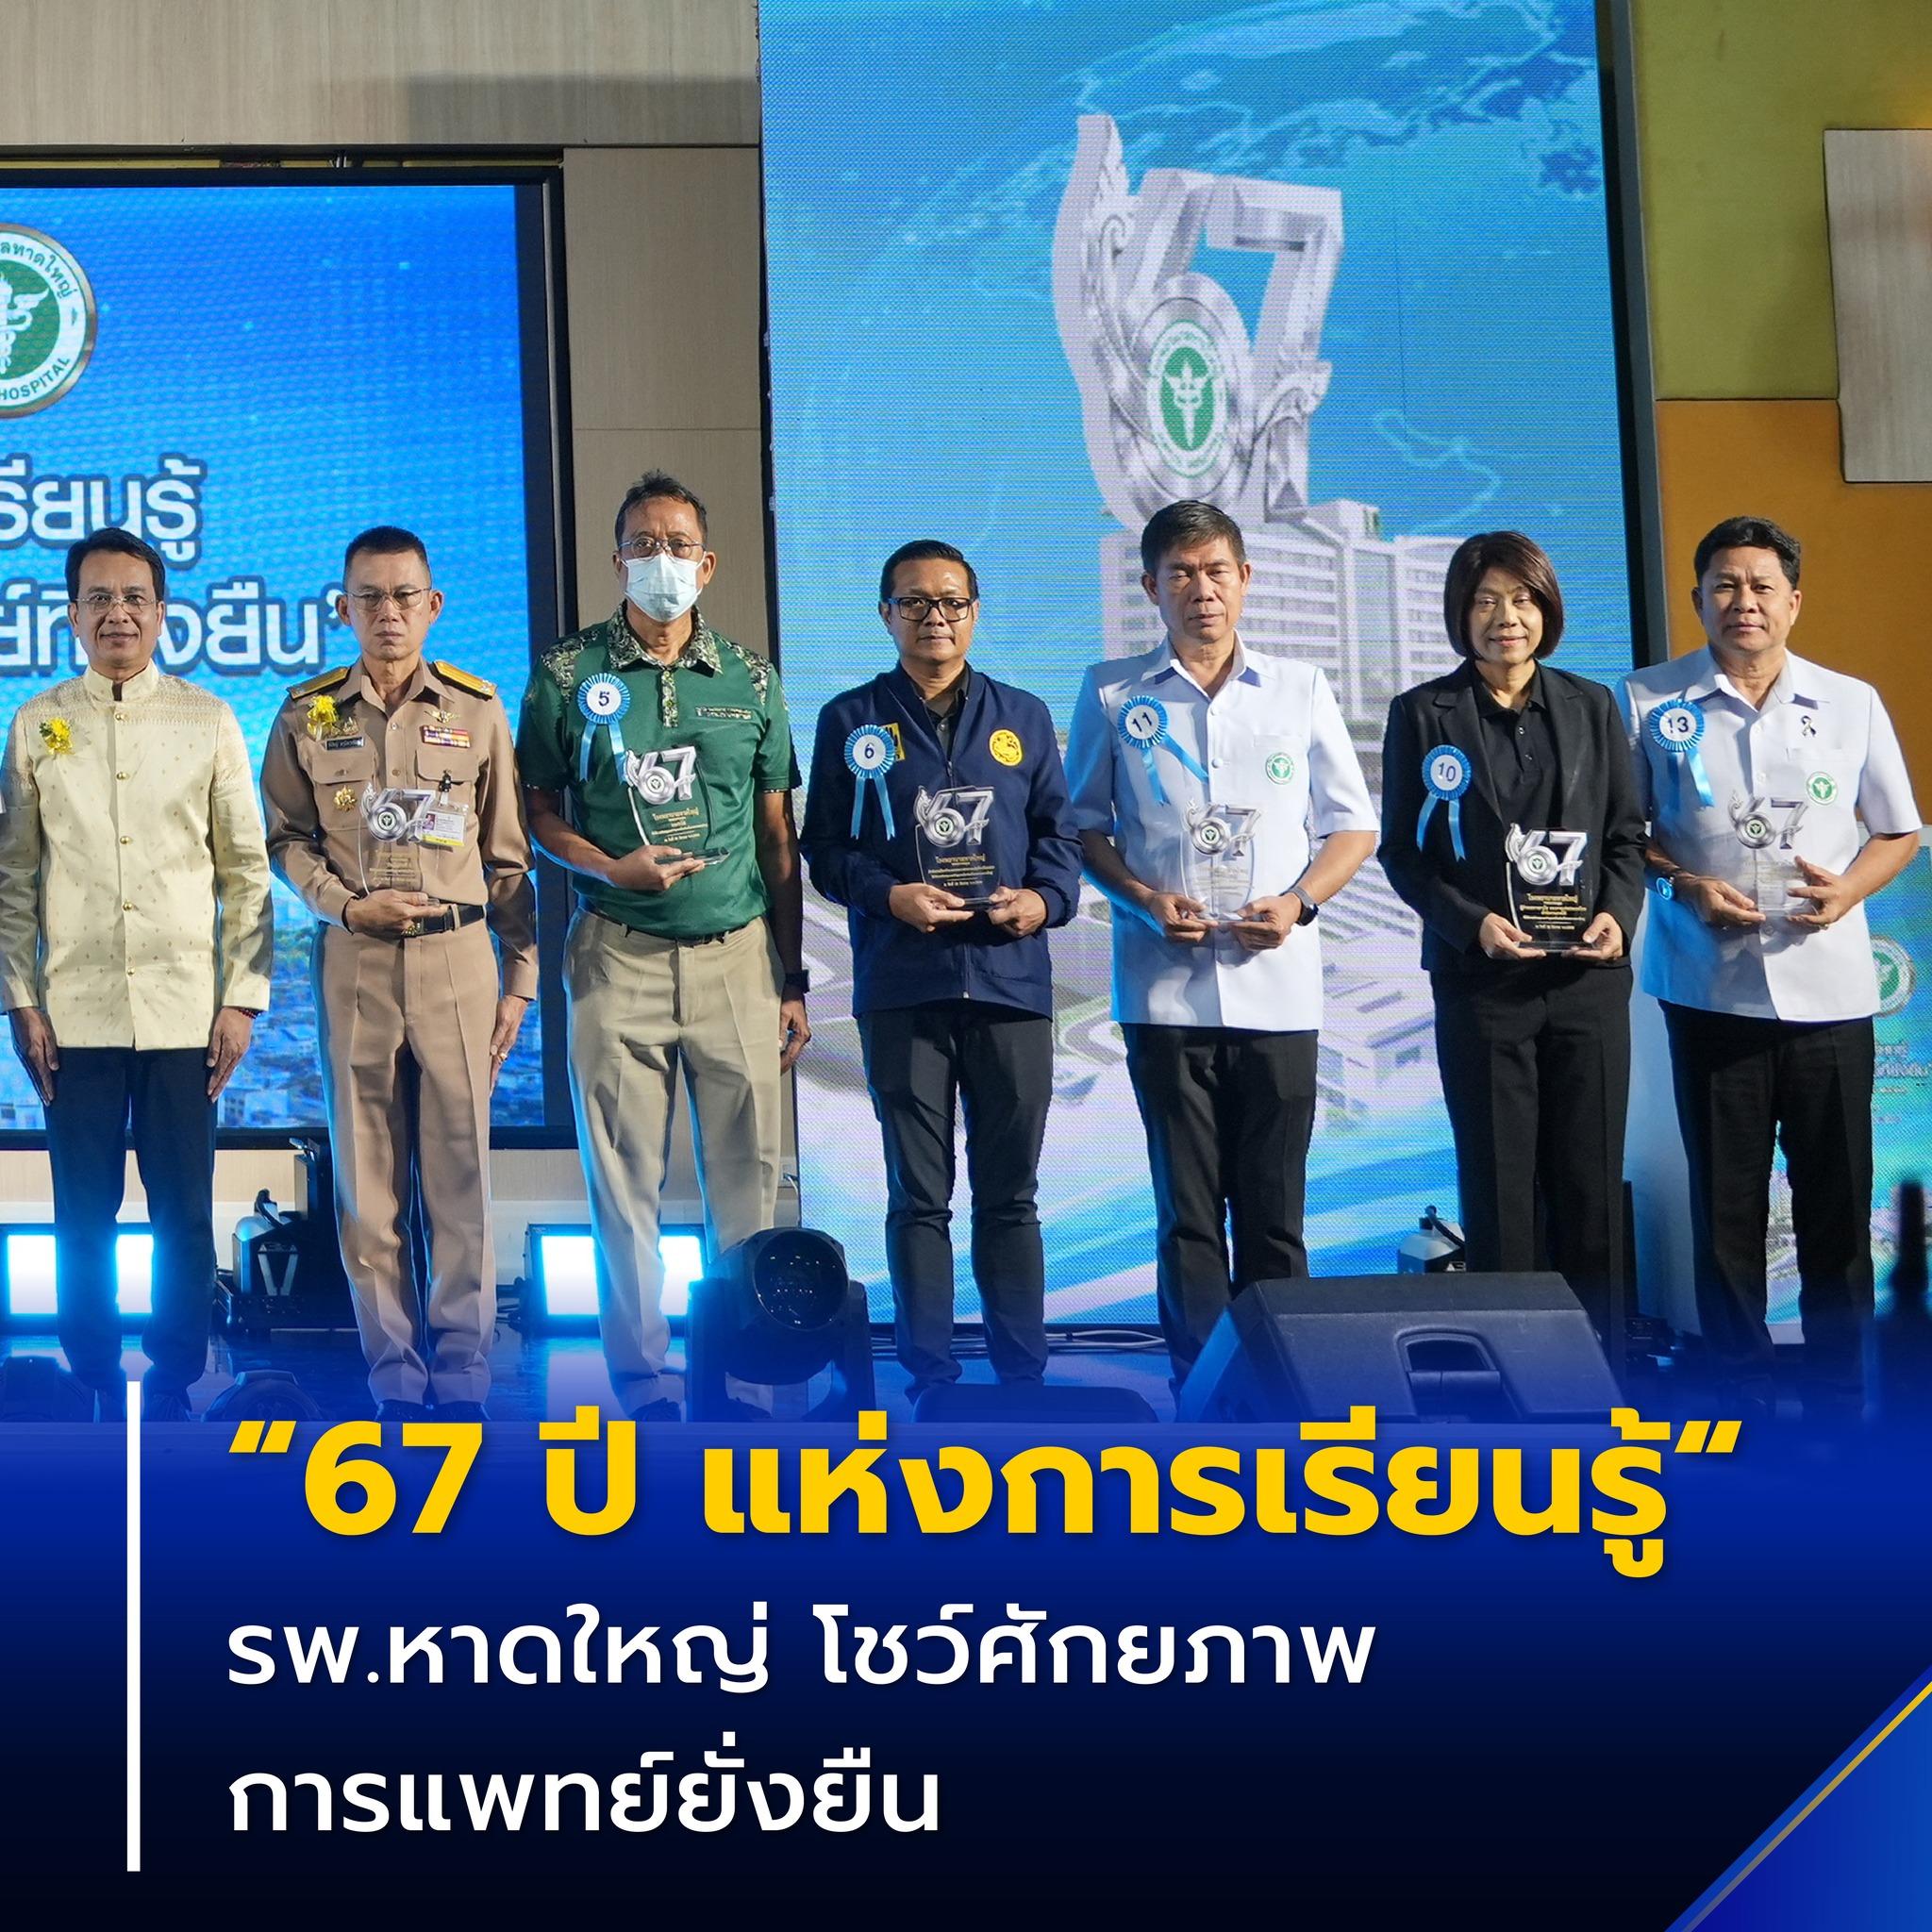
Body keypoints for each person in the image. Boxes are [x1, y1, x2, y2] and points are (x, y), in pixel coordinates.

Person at [516, 470, 809, 1419]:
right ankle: (640, 1380)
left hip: (737, 957)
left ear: (707, 564)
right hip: (617, 952)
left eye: (679, 545)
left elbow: (777, 837)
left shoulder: (752, 678)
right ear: (617, 560)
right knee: (622, 1182)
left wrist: (793, 976)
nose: (662, 560)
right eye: (643, 544)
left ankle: (745, 1375)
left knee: (749, 1181)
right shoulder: (567, 673)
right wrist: (610, 867)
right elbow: (537, 814)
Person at [1065, 498, 1377, 1389]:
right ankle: (1201, 1393)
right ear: (1150, 588)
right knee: (1188, 1213)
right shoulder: (1112, 691)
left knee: (1275, 1214)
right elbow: (1085, 828)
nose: (1201, 590)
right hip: (1163, 989)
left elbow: (1354, 828)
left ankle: (1284, 1391)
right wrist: (1141, 900)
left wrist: (1298, 903)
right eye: (1180, 575)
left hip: (1279, 988)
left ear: (1245, 578)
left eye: (1215, 572)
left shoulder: (1299, 687)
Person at [1621, 514, 1921, 1420]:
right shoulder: (1645, 699)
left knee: (1837, 1206)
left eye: (1761, 586)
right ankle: (1738, 1394)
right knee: (1727, 1210)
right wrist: (1687, 887)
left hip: (1830, 992)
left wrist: (1848, 891)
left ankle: (1840, 1392)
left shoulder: (1851, 701)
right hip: (1710, 990)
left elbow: (1897, 830)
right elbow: (1627, 839)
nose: (1743, 601)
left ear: (1794, 601)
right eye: (1725, 585)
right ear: (1697, 599)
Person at [259, 525, 537, 1423]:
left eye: (405, 595)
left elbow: (508, 858)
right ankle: (395, 1379)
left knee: (460, 1181)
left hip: (458, 959)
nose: (388, 613)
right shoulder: (307, 715)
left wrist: (521, 978)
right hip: (355, 958)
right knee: (367, 1185)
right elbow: (285, 840)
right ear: (343, 608)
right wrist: (343, 906)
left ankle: (462, 1375)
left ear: (433, 605)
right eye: (370, 597)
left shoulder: (478, 709)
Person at [0, 529, 274, 1422]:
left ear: (161, 613)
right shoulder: (37, 723)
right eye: (98, 599)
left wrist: (241, 1000)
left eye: (134, 598)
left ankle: (175, 1371)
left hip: (184, 1011)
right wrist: (21, 1000)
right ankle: (87, 1369)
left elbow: (245, 872)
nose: (117, 613)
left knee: (182, 1211)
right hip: (71, 1012)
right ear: (72, 615)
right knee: (82, 1210)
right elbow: (15, 877)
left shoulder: (208, 719)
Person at [801, 540, 1082, 1403]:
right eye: (916, 603)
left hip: (1010, 986)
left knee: (1011, 1196)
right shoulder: (852, 719)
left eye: (953, 602)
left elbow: (1060, 837)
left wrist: (1044, 902)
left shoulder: (1024, 715)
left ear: (975, 612)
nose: (936, 618)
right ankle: (931, 1375)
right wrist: (889, 898)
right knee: (918, 1196)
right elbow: (826, 849)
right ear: (886, 614)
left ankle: (1023, 1376)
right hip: (904, 984)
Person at [1380, 531, 1645, 1374]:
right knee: (1499, 1189)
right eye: (1487, 601)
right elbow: (1402, 852)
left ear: (1547, 610)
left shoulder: (1592, 705)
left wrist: (1617, 917)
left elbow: (1627, 838)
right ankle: (1516, 1375)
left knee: (1591, 1185)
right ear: (1461, 614)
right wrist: (1471, 924)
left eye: (1523, 599)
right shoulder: (1423, 713)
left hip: (1587, 980)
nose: (1507, 617)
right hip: (1483, 985)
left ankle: (1600, 1373)